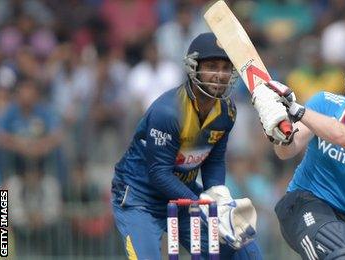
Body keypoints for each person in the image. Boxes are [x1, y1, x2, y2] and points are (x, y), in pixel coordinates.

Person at [111, 33, 270, 259]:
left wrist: (218, 196)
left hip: (182, 195)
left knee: (245, 249)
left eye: (226, 68)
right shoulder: (169, 112)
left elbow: (213, 160)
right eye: (212, 66)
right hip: (140, 198)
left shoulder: (227, 111)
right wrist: (200, 203)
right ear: (194, 68)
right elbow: (158, 173)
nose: (220, 75)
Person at [253, 49, 345, 259]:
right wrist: (280, 135)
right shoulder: (324, 103)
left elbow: (342, 136)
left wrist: (297, 110)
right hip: (303, 204)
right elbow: (286, 151)